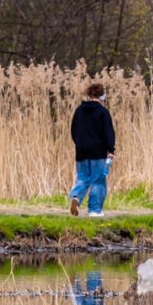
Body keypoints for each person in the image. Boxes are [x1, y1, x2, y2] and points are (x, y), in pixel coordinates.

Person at [69, 82, 116, 217]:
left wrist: (79, 143)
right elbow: (108, 132)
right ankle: (95, 210)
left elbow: (73, 130)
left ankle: (76, 197)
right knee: (98, 180)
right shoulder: (103, 112)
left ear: (89, 95)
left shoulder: (79, 111)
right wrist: (111, 150)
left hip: (81, 151)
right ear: (102, 96)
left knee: (82, 178)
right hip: (98, 151)